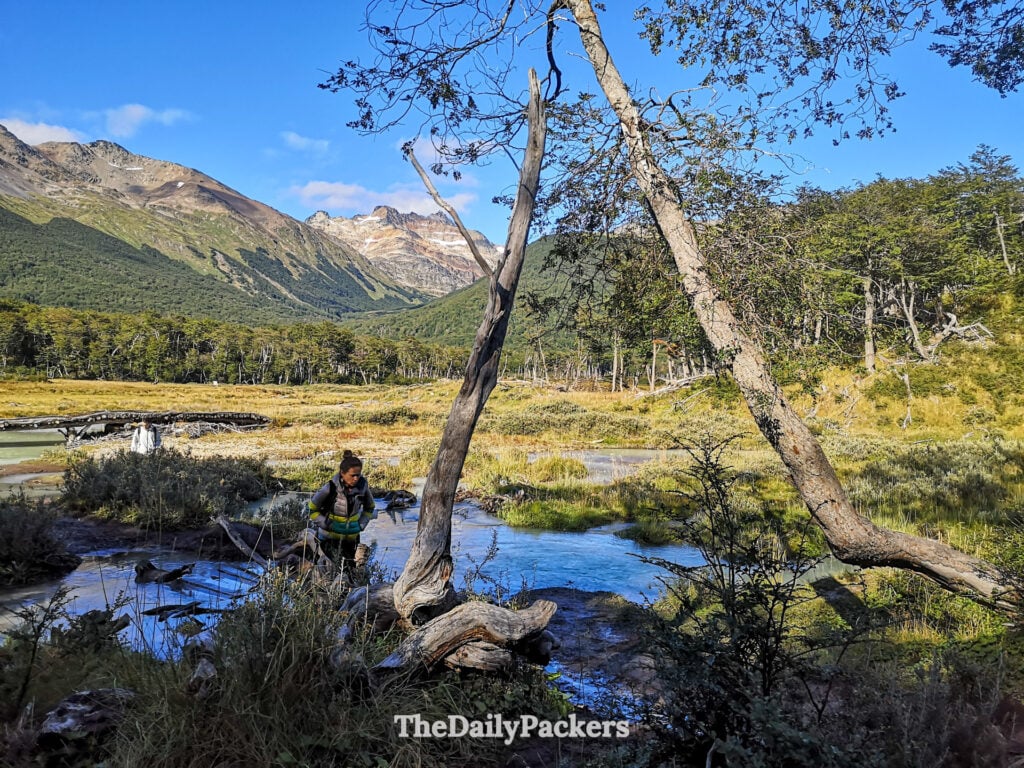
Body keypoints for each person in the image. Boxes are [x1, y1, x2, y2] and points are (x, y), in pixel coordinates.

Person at [307, 450, 376, 568]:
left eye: (358, 475)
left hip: (351, 539)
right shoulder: (330, 488)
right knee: (328, 570)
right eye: (352, 475)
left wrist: (361, 525)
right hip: (328, 538)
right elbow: (312, 510)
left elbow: (370, 508)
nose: (356, 478)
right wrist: (327, 524)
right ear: (342, 473)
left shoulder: (363, 487)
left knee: (349, 569)